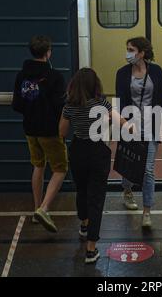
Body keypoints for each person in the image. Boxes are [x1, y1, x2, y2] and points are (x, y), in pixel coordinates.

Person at [60, 68, 133, 264]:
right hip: (98, 152)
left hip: (78, 151)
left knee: (81, 190)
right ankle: (91, 249)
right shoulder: (101, 102)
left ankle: (84, 223)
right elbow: (123, 123)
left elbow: (62, 132)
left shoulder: (69, 105)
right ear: (95, 85)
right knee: (97, 198)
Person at [12, 35, 67, 233]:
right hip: (50, 131)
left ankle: (36, 207)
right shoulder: (55, 77)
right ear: (48, 53)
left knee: (38, 166)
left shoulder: (21, 75)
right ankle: (44, 209)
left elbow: (17, 105)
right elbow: (60, 107)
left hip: (30, 129)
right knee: (60, 169)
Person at [116, 37, 162, 228]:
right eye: (127, 49)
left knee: (147, 170)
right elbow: (120, 101)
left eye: (131, 49)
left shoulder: (156, 71)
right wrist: (122, 125)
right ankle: (127, 190)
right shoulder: (122, 73)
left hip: (151, 124)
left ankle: (147, 211)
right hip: (130, 125)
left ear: (142, 53)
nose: (128, 53)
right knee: (128, 165)